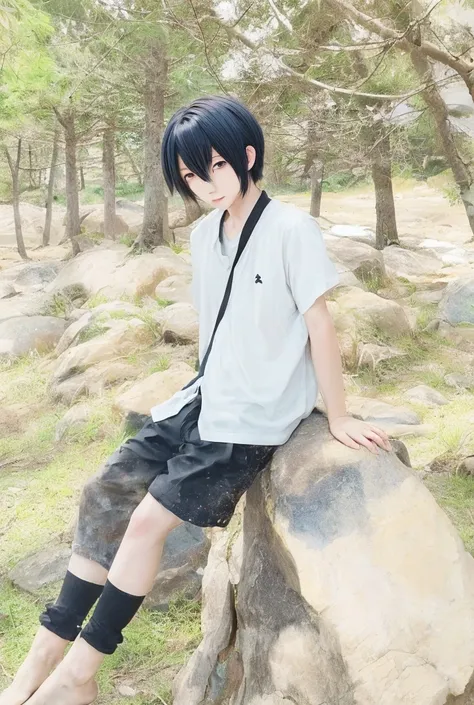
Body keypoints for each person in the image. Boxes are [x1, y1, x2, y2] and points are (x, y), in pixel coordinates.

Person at [0, 94, 391, 705]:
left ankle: (78, 676)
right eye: (189, 175)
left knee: (147, 522)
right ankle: (43, 655)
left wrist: (337, 415)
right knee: (105, 490)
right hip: (205, 398)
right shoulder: (206, 234)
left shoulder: (291, 230)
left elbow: (319, 323)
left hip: (252, 418)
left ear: (247, 156)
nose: (204, 184)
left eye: (215, 166)